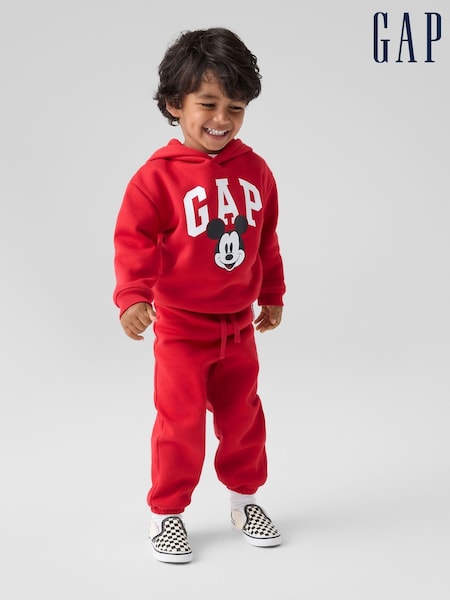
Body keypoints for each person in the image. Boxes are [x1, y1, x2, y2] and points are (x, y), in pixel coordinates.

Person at [113, 27, 286, 564]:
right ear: (174, 104)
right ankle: (166, 513)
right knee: (180, 424)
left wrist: (272, 292)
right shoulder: (156, 178)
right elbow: (134, 240)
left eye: (235, 108)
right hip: (182, 331)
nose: (221, 119)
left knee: (244, 419)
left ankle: (244, 502)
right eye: (208, 104)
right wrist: (132, 296)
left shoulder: (256, 170)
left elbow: (266, 239)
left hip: (238, 328)